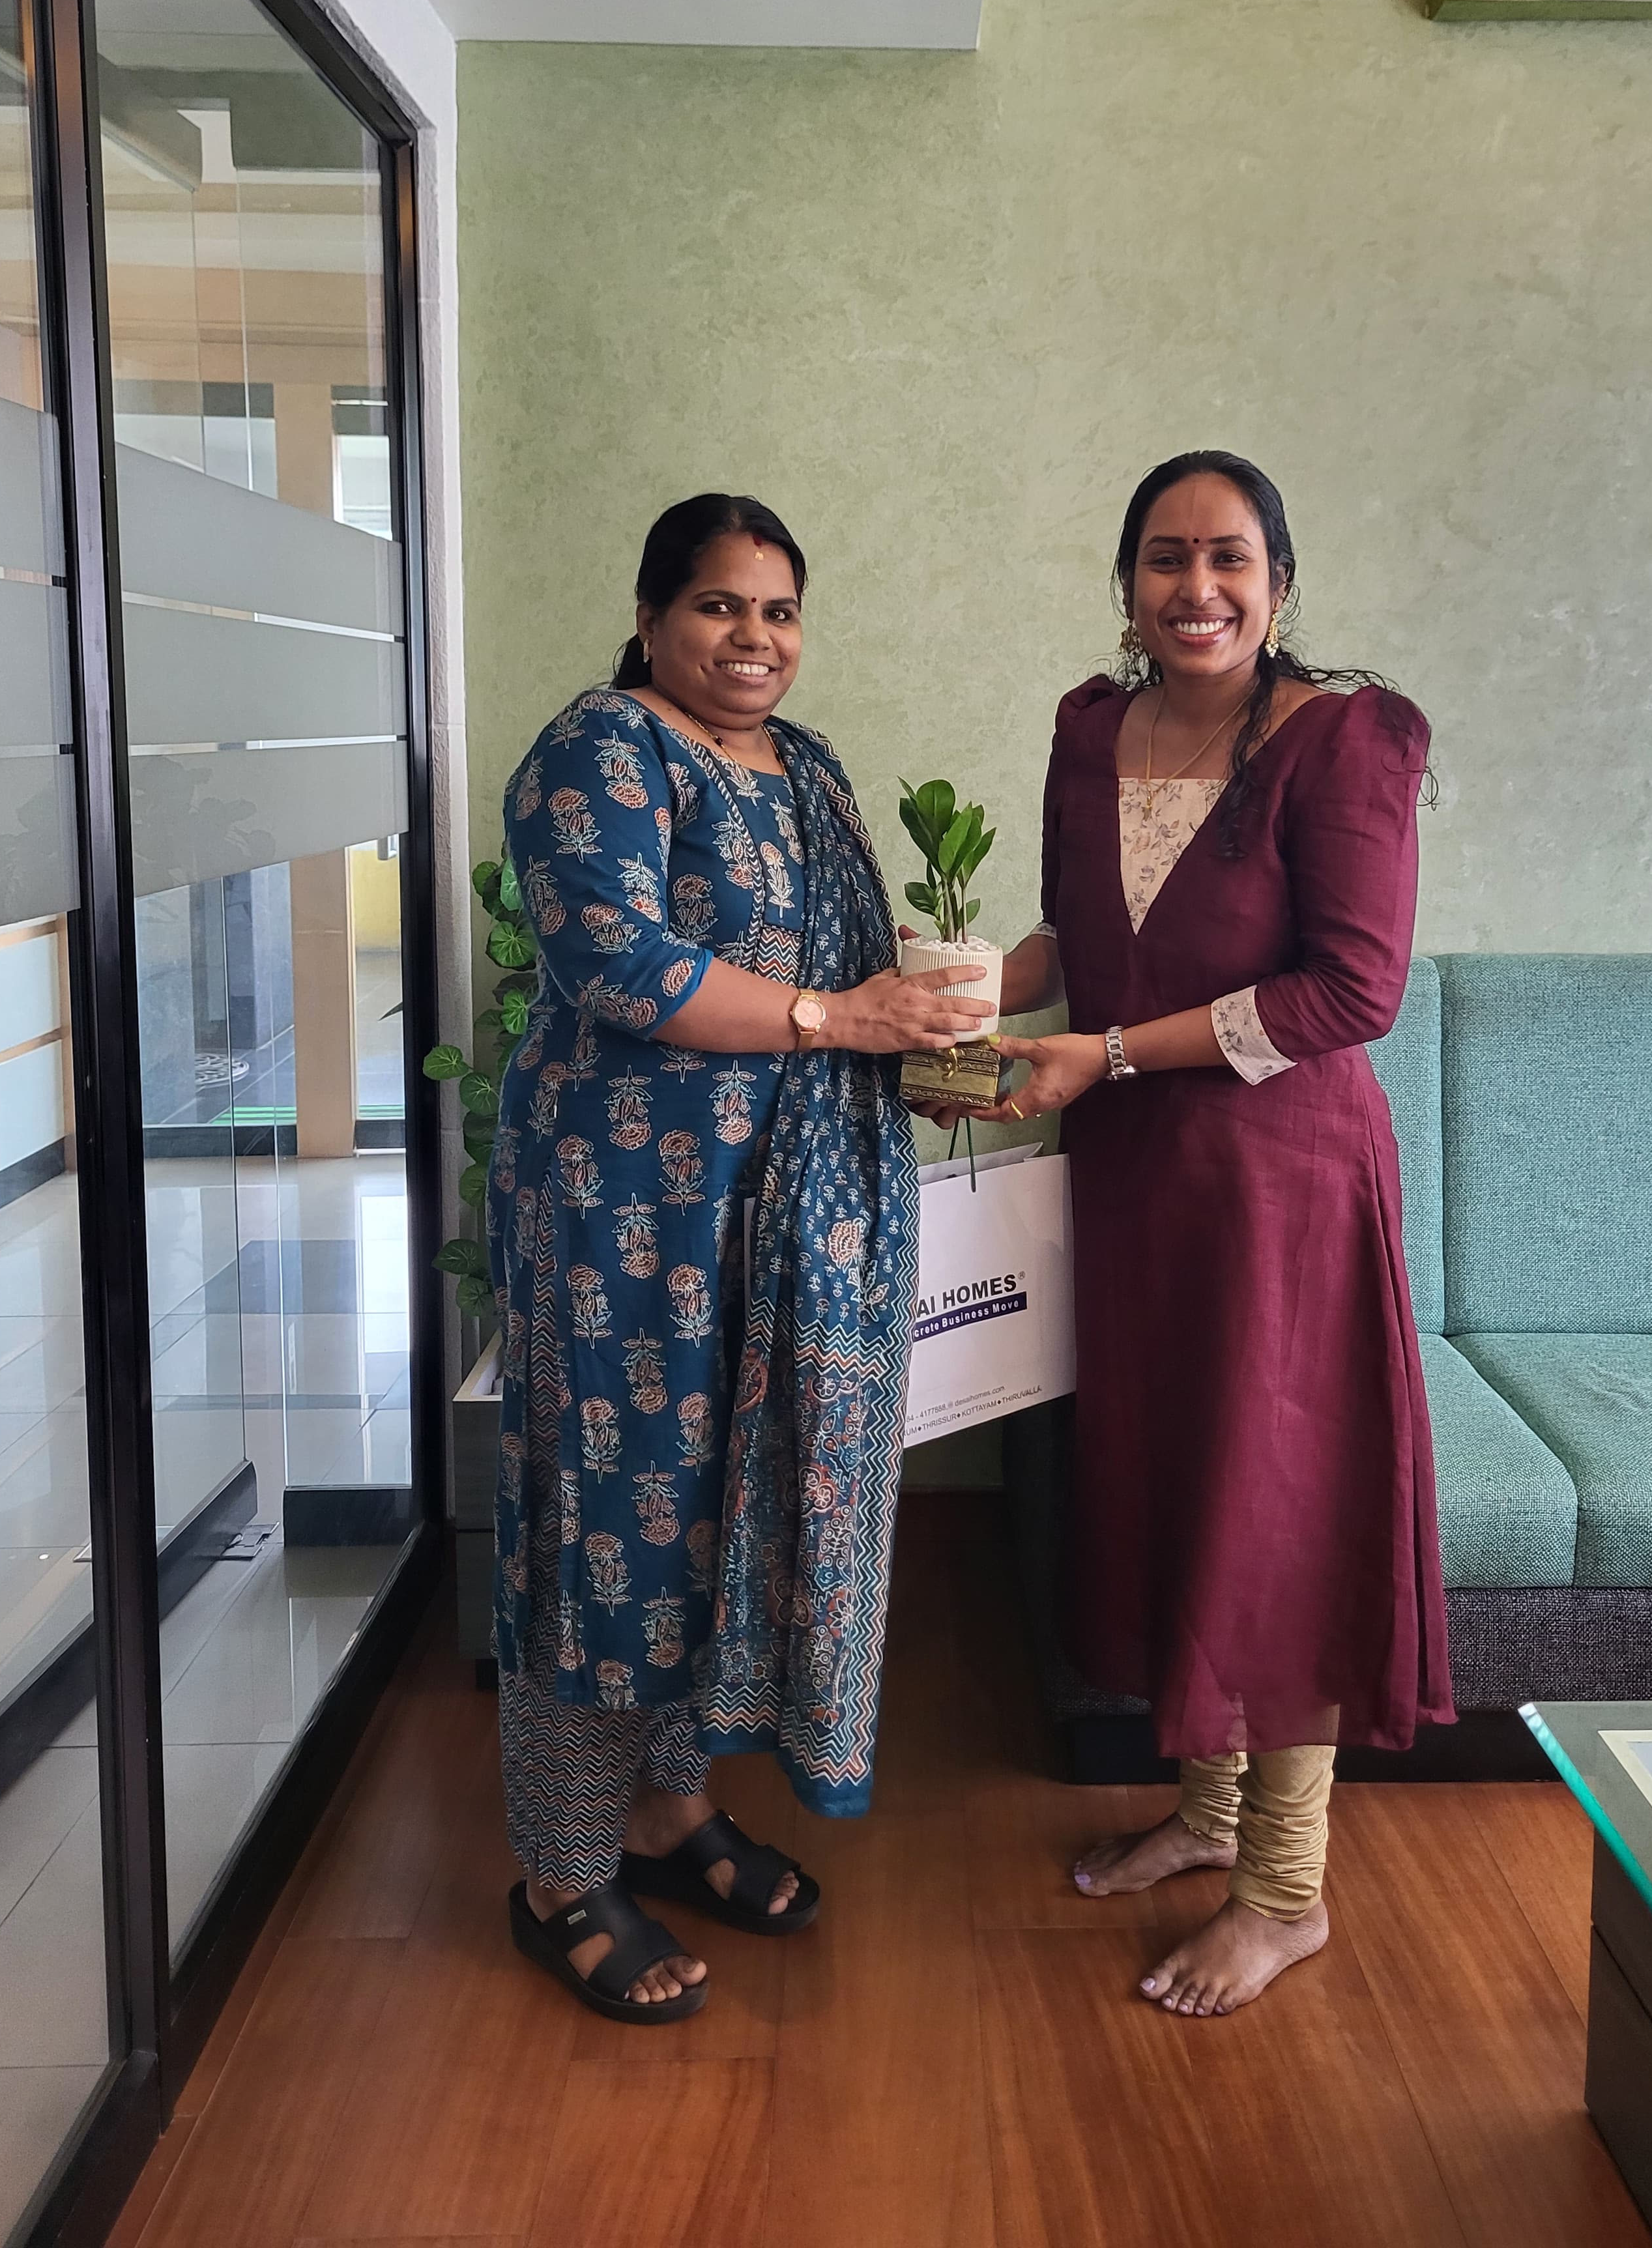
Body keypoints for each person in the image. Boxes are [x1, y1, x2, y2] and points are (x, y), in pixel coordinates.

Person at [489, 492, 988, 2023]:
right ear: (650, 617)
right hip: (625, 1222)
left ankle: (667, 1806)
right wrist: (843, 1021)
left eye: (779, 609)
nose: (753, 636)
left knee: (722, 1517)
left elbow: (860, 972)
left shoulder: (812, 766)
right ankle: (562, 1870)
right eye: (718, 604)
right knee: (611, 1522)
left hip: (785, 1216)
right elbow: (617, 960)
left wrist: (939, 1030)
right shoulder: (602, 749)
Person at [983, 449, 1451, 2017]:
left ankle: (1284, 1889)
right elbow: (1079, 937)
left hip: (1281, 1186)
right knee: (1180, 1488)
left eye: (1230, 558)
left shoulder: (1344, 742)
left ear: (1281, 583)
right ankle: (1206, 1809)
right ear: (1127, 583)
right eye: (1166, 557)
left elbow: (1350, 992)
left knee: (1275, 1508)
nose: (1197, 588)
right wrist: (960, 990)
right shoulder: (1088, 729)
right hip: (1133, 1177)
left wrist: (1106, 1054)